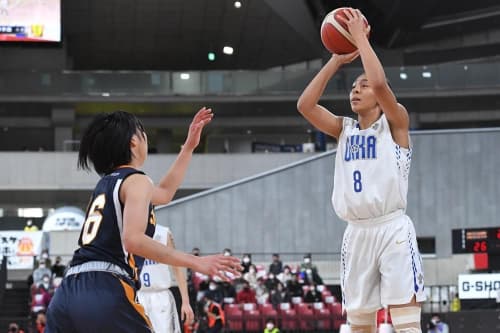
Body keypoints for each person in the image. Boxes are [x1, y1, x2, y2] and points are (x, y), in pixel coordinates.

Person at [45, 109, 241, 332]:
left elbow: (165, 193)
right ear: (133, 142)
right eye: (144, 133)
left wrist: (188, 147)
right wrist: (197, 262)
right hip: (104, 287)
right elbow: (133, 240)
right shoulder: (136, 179)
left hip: (67, 292)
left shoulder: (105, 185)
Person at [297, 8, 425, 333]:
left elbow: (381, 83)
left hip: (392, 228)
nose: (356, 89)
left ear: (380, 100)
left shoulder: (395, 122)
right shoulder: (344, 129)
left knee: (406, 322)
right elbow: (305, 106)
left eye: (362, 86)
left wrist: (360, 41)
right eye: (353, 86)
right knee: (360, 324)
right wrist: (336, 60)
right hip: (355, 233)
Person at [137, 225, 194, 333]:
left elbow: (177, 268)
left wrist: (186, 302)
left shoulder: (162, 233)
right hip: (137, 295)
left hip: (160, 296)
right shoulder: (126, 232)